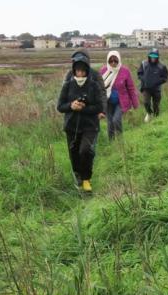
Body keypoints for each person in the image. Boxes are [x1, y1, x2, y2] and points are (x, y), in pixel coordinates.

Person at [57, 51, 103, 192]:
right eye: (78, 70)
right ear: (74, 71)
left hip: (90, 126)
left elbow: (99, 107)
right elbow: (60, 106)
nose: (80, 73)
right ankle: (77, 176)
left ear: (87, 71)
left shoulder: (94, 86)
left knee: (85, 151)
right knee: (74, 154)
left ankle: (86, 179)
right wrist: (71, 106)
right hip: (71, 126)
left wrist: (83, 108)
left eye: (83, 70)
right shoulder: (68, 85)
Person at [99, 51, 140, 140]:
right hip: (108, 102)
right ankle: (112, 142)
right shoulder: (103, 71)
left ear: (119, 60)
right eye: (111, 61)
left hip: (121, 102)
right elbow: (99, 88)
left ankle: (120, 140)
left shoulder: (125, 71)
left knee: (116, 120)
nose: (113, 63)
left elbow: (131, 88)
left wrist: (135, 104)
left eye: (115, 61)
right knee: (110, 123)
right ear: (108, 61)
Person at [65, 48, 108, 119]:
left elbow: (102, 93)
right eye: (75, 60)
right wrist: (70, 105)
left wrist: (102, 111)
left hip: (91, 115)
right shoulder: (70, 74)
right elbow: (63, 99)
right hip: (73, 117)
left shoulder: (95, 74)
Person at [137, 48, 168, 122]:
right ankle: (149, 113)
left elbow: (165, 78)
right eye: (151, 56)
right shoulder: (144, 64)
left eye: (155, 56)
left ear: (157, 57)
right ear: (149, 56)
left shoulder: (162, 66)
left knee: (156, 105)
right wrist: (144, 79)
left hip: (156, 89)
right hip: (146, 88)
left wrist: (157, 81)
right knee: (146, 102)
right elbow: (139, 74)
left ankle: (156, 120)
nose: (153, 58)